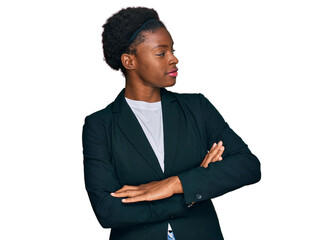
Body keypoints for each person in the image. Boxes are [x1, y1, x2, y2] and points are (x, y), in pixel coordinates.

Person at [82, 7, 261, 240]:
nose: (173, 58)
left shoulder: (197, 108)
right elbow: (108, 211)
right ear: (129, 61)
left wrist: (175, 183)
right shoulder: (100, 125)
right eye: (161, 53)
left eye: (172, 50)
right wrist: (188, 194)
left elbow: (247, 166)